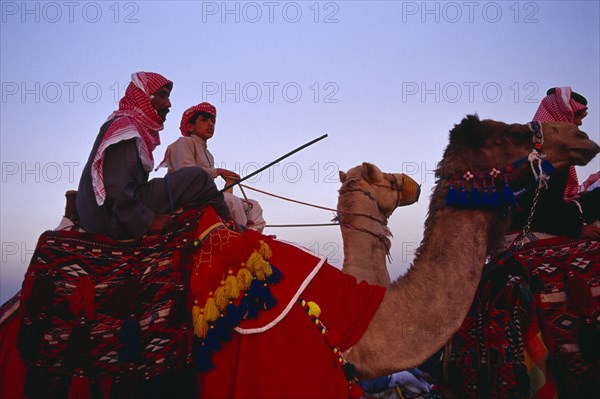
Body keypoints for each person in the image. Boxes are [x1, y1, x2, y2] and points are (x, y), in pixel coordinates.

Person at [76, 72, 233, 240]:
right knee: (198, 178)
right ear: (144, 96)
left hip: (112, 211)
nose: (168, 103)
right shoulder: (126, 129)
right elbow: (116, 187)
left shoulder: (131, 127)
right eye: (162, 95)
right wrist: (147, 220)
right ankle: (232, 227)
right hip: (108, 218)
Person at [510, 86, 600, 239]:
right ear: (561, 116)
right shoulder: (545, 153)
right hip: (535, 220)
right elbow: (542, 208)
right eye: (577, 115)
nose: (579, 122)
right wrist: (577, 230)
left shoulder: (529, 144)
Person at [161, 102, 266, 231]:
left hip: (205, 198)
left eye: (212, 121)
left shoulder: (209, 155)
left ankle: (251, 237)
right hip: (185, 200)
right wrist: (218, 171)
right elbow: (187, 175)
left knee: (253, 206)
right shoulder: (183, 142)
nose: (210, 124)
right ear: (190, 126)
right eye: (204, 120)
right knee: (232, 201)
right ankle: (239, 238)